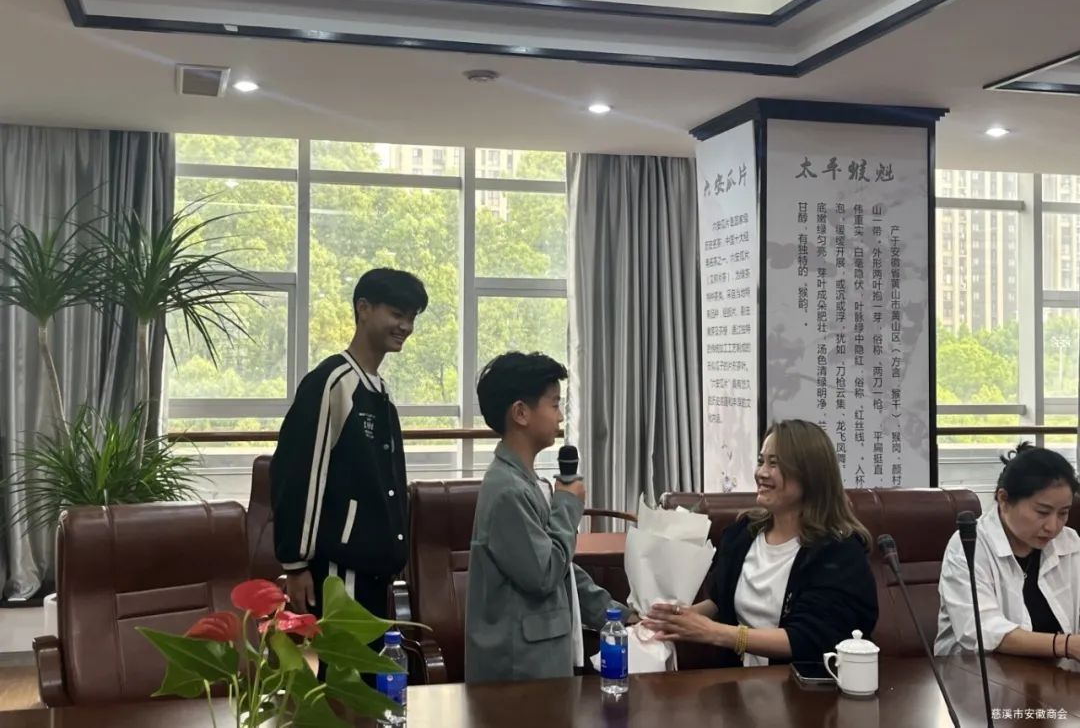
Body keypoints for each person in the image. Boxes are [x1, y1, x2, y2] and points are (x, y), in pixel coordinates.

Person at [643, 419, 877, 667]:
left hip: (801, 686)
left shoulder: (838, 551)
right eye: (761, 461)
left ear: (810, 474)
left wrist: (714, 632)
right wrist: (676, 618)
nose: (761, 473)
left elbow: (808, 638)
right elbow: (720, 601)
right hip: (738, 681)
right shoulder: (743, 533)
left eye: (774, 464)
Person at [270, 267, 428, 624]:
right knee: (344, 662)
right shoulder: (333, 382)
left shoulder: (378, 388)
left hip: (375, 570)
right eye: (397, 314)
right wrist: (296, 563)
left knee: (375, 661)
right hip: (341, 572)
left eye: (411, 318)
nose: (405, 326)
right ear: (364, 308)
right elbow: (299, 474)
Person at [464, 351, 631, 683]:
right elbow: (544, 574)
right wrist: (567, 506)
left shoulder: (527, 481)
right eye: (554, 404)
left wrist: (619, 616)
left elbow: (562, 566)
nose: (560, 416)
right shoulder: (507, 490)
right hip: (519, 671)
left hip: (540, 661)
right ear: (521, 413)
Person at [936, 443, 1080, 659]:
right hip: (977, 672)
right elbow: (981, 630)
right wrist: (1065, 645)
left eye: (1063, 513)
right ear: (1004, 500)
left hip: (1052, 672)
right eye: (1042, 512)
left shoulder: (1068, 541)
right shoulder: (969, 546)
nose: (1053, 526)